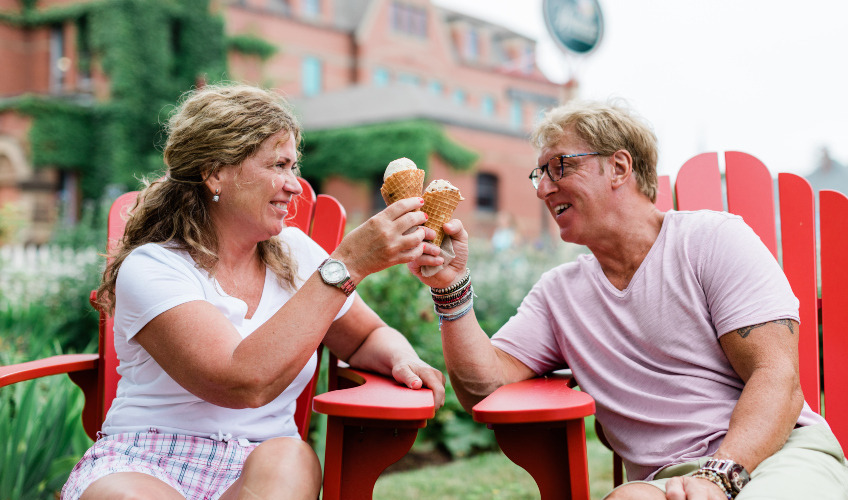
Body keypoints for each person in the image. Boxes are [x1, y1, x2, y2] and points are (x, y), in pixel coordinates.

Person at [408, 100, 848, 499]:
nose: (542, 189)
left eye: (559, 166)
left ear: (619, 167)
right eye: (538, 174)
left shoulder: (713, 240)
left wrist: (717, 478)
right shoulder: (559, 295)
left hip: (774, 456)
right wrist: (450, 287)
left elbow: (778, 378)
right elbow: (484, 387)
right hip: (663, 483)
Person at [61, 83, 445, 500]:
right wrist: (347, 264)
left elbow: (367, 336)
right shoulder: (154, 266)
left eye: (294, 166)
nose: (295, 185)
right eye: (278, 165)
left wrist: (404, 358)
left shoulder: (299, 256)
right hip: (147, 461)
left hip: (260, 465)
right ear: (215, 172)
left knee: (290, 457)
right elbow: (240, 383)